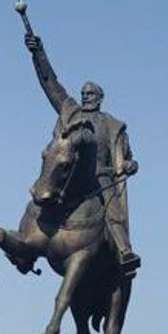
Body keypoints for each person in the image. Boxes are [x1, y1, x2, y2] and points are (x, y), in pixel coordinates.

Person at [25, 33, 141, 276]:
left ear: (100, 98)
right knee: (41, 197)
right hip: (70, 175)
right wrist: (38, 53)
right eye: (83, 93)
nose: (86, 97)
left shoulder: (113, 125)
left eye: (90, 94)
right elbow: (51, 84)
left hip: (101, 178)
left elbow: (127, 156)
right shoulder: (71, 112)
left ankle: (124, 251)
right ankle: (24, 249)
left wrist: (131, 164)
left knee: (113, 211)